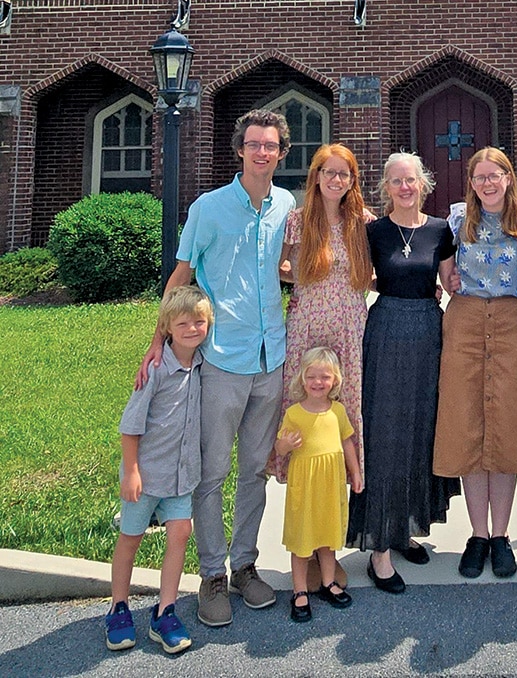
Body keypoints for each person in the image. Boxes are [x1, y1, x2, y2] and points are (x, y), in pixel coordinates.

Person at [138, 109, 296, 627]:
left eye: (270, 145)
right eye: (253, 144)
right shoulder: (209, 208)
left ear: (281, 152)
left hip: (271, 356)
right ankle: (211, 575)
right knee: (211, 473)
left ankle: (246, 565)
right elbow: (182, 274)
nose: (261, 152)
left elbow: (284, 265)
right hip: (222, 359)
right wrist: (158, 340)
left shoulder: (286, 206)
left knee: (255, 469)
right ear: (240, 149)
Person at [346, 152, 460, 593]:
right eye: (396, 181)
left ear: (424, 183)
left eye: (410, 179)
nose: (404, 187)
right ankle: (378, 547)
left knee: (420, 431)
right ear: (386, 187)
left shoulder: (440, 230)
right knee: (386, 433)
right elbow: (358, 276)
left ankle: (404, 527)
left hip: (429, 332)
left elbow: (452, 281)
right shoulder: (373, 231)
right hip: (387, 331)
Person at [434, 147, 517, 579]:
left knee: (507, 425)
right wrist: (449, 280)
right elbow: (445, 273)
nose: (487, 183)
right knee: (467, 423)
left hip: (511, 320)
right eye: (479, 177)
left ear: (508, 178)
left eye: (494, 175)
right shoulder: (458, 220)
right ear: (472, 183)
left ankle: (502, 536)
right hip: (465, 322)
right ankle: (477, 535)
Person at [107, 286, 213, 654]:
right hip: (148, 474)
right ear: (167, 327)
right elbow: (130, 425)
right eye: (182, 323)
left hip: (182, 474)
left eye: (199, 321)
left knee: (181, 533)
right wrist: (131, 471)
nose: (192, 328)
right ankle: (119, 606)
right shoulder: (154, 370)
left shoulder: (202, 365)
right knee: (131, 537)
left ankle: (165, 610)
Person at [275, 143, 371, 480]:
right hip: (308, 321)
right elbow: (277, 266)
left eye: (343, 174)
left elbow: (370, 276)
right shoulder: (298, 221)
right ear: (316, 176)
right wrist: (301, 277)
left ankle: (349, 473)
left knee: (347, 398)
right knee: (305, 393)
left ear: (352, 181)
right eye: (328, 172)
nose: (335, 179)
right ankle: (301, 469)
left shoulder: (361, 222)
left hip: (349, 323)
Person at [272, 347, 363, 623]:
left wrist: (355, 472)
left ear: (335, 380)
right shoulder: (294, 413)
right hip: (305, 487)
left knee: (327, 535)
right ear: (302, 379)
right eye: (311, 376)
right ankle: (299, 590)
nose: (317, 382)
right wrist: (284, 445)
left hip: (330, 486)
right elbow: (279, 447)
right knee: (302, 540)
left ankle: (328, 582)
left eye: (324, 377)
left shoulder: (337, 411)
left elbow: (347, 441)